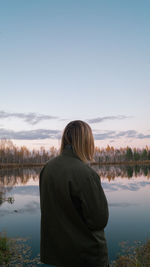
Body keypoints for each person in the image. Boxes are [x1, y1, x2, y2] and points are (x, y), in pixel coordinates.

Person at [39, 120, 109, 267]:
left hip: (59, 255)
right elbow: (99, 220)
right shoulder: (86, 173)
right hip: (86, 256)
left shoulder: (47, 168)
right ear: (86, 141)